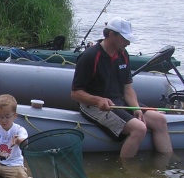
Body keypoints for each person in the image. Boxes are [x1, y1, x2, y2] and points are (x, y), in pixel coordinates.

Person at [70, 17, 173, 159]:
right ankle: (125, 174)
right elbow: (76, 93)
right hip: (93, 106)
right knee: (139, 128)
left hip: (119, 101)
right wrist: (98, 100)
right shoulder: (90, 56)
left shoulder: (123, 55)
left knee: (160, 120)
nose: (128, 43)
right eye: (125, 38)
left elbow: (128, 89)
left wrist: (136, 108)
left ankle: (166, 165)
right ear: (112, 35)